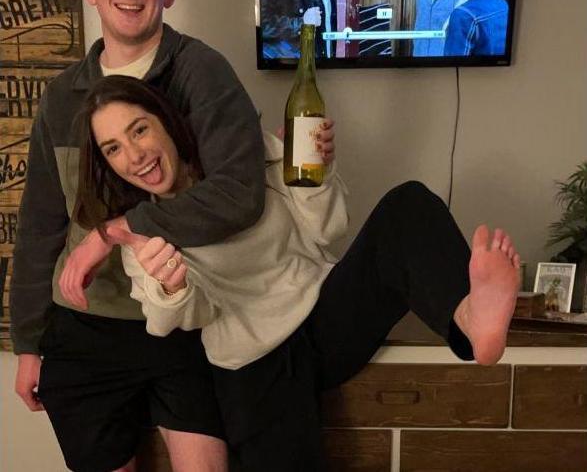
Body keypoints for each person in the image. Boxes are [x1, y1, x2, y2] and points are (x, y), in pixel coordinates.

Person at [71, 75, 521, 472]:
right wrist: (173, 287)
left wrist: (316, 173)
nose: (134, 155)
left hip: (323, 317)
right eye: (114, 148)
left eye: (139, 130)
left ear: (166, 121)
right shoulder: (138, 233)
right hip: (254, 361)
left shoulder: (245, 161)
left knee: (408, 203)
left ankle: (469, 317)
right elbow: (181, 319)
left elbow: (324, 230)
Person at [10, 0, 267, 472]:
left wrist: (114, 232)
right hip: (84, 331)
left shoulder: (202, 73)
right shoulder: (60, 97)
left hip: (188, 321)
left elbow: (241, 192)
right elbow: (40, 226)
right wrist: (27, 342)